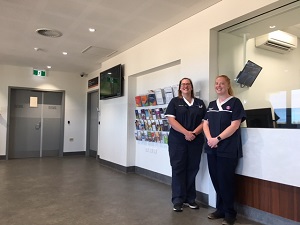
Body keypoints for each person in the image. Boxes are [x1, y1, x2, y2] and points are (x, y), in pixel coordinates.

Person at [203, 75, 246, 225]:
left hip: (227, 149)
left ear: (228, 85)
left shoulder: (235, 103)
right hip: (211, 148)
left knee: (225, 180)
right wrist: (209, 139)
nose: (218, 86)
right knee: (216, 179)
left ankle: (230, 213)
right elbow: (205, 124)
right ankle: (220, 209)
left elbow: (234, 125)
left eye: (222, 83)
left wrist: (217, 139)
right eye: (216, 83)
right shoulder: (212, 104)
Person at [165, 77, 206, 212]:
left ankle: (190, 199)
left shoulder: (200, 103)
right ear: (180, 87)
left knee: (192, 168)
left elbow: (204, 122)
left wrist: (193, 133)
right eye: (183, 84)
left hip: (195, 140)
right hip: (178, 140)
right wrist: (186, 133)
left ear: (191, 87)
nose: (185, 86)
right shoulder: (175, 102)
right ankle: (178, 200)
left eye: (188, 84)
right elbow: (171, 120)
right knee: (178, 168)